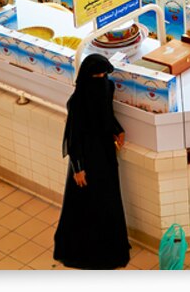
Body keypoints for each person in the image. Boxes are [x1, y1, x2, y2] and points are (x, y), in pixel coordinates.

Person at [54, 54, 131, 269]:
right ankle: (86, 252)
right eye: (97, 74)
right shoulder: (78, 101)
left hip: (105, 152)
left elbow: (107, 114)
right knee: (87, 204)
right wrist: (78, 169)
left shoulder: (107, 86)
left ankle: (110, 249)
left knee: (108, 200)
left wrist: (118, 130)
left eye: (104, 74)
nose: (102, 78)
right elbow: (74, 136)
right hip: (86, 157)